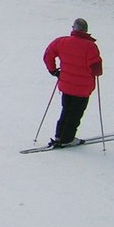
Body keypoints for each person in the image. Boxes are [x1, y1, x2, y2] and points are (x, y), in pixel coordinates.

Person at [43, 18, 103, 148]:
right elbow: (96, 68)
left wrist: (54, 71)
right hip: (82, 88)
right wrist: (97, 72)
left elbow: (48, 55)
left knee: (66, 110)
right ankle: (67, 138)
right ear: (85, 30)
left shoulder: (61, 42)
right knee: (75, 113)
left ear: (73, 28)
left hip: (66, 85)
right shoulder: (90, 46)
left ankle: (59, 135)